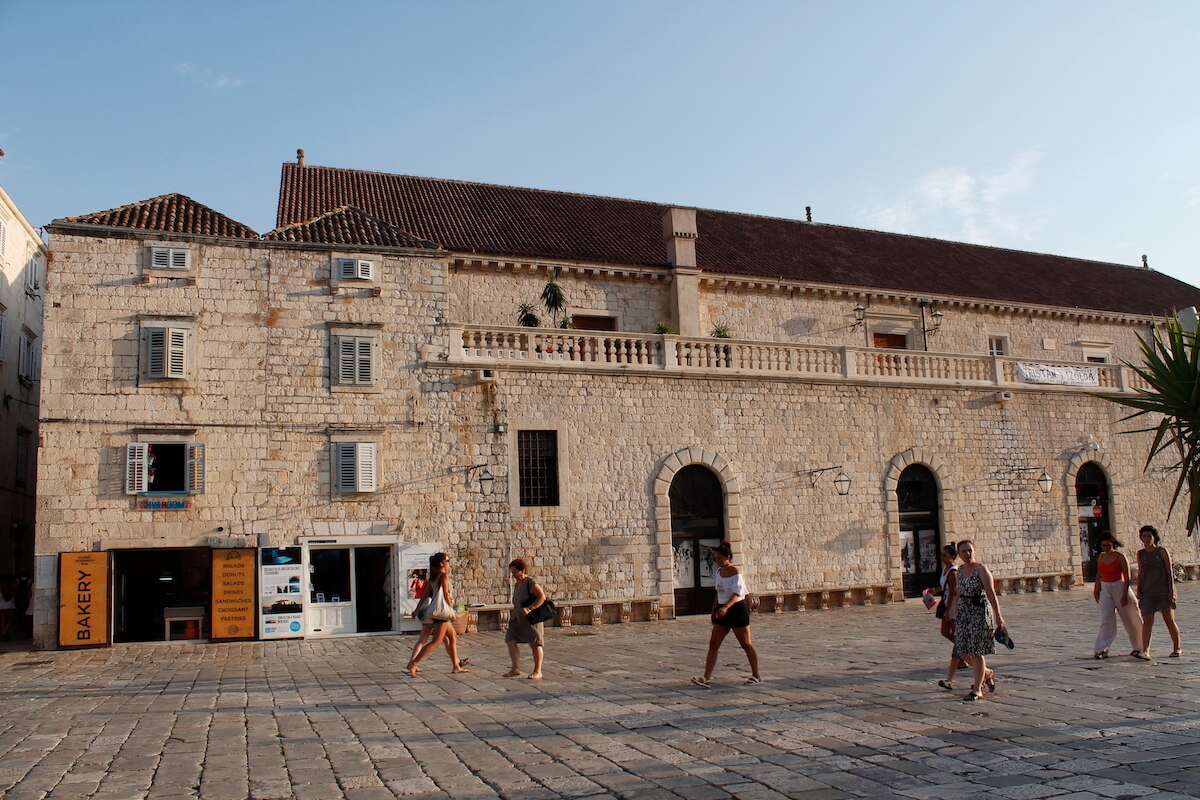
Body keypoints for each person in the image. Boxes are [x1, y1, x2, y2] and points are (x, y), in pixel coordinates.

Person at [692, 542, 761, 687]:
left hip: (736, 609)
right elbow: (718, 592)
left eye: (719, 559)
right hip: (722, 610)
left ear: (727, 557)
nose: (716, 562)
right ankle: (706, 677)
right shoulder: (718, 572)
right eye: (715, 559)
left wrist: (726, 608)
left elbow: (738, 593)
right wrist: (714, 609)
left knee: (746, 644)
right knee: (713, 644)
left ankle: (756, 675)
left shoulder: (736, 572)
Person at [953, 540, 1004, 701]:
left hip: (979, 612)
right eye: (964, 552)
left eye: (970, 550)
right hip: (964, 613)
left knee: (976, 650)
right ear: (959, 554)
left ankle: (977, 689)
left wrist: (998, 616)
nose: (967, 554)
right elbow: (958, 592)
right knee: (961, 650)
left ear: (974, 551)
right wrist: (956, 611)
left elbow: (991, 593)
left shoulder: (981, 569)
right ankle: (987, 672)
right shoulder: (960, 571)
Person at [407, 553, 469, 676]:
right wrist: (451, 610)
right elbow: (446, 594)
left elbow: (424, 596)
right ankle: (414, 663)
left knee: (452, 638)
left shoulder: (433, 579)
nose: (449, 563)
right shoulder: (443, 576)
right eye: (448, 560)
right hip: (442, 614)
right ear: (442, 563)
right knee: (435, 642)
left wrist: (416, 610)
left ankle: (456, 666)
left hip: (437, 613)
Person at [1092, 532, 1142, 659]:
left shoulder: (1120, 557)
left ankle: (1139, 646)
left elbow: (1127, 577)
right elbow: (1099, 574)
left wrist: (1124, 594)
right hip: (1105, 588)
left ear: (1113, 544)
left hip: (1120, 587)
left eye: (1108, 545)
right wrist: (1096, 588)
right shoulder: (1101, 557)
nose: (1105, 548)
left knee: (1131, 618)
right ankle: (1102, 648)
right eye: (1103, 546)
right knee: (1106, 618)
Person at [1135, 525, 1182, 659]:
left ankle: (1177, 647)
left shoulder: (1161, 551)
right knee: (1147, 620)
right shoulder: (1141, 554)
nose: (1147, 539)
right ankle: (1145, 650)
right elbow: (1141, 573)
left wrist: (1171, 591)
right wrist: (1139, 589)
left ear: (1154, 537)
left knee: (1169, 620)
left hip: (1163, 591)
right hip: (1147, 592)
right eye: (1144, 536)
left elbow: (1169, 571)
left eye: (1149, 536)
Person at [504, 558, 546, 680]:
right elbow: (517, 602)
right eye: (512, 573)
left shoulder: (530, 583)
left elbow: (542, 596)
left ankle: (538, 671)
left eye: (515, 572)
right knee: (510, 639)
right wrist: (514, 613)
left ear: (522, 570)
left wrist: (530, 608)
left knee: (535, 643)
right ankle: (515, 669)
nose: (514, 575)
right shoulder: (517, 585)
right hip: (518, 620)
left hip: (531, 619)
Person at [933, 543, 967, 690]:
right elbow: (944, 586)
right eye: (942, 554)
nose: (942, 557)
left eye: (945, 555)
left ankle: (962, 658)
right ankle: (962, 655)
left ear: (952, 557)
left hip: (952, 607)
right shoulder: (945, 570)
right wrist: (933, 592)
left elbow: (953, 590)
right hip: (947, 604)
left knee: (956, 634)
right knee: (945, 632)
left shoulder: (953, 571)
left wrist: (948, 611)